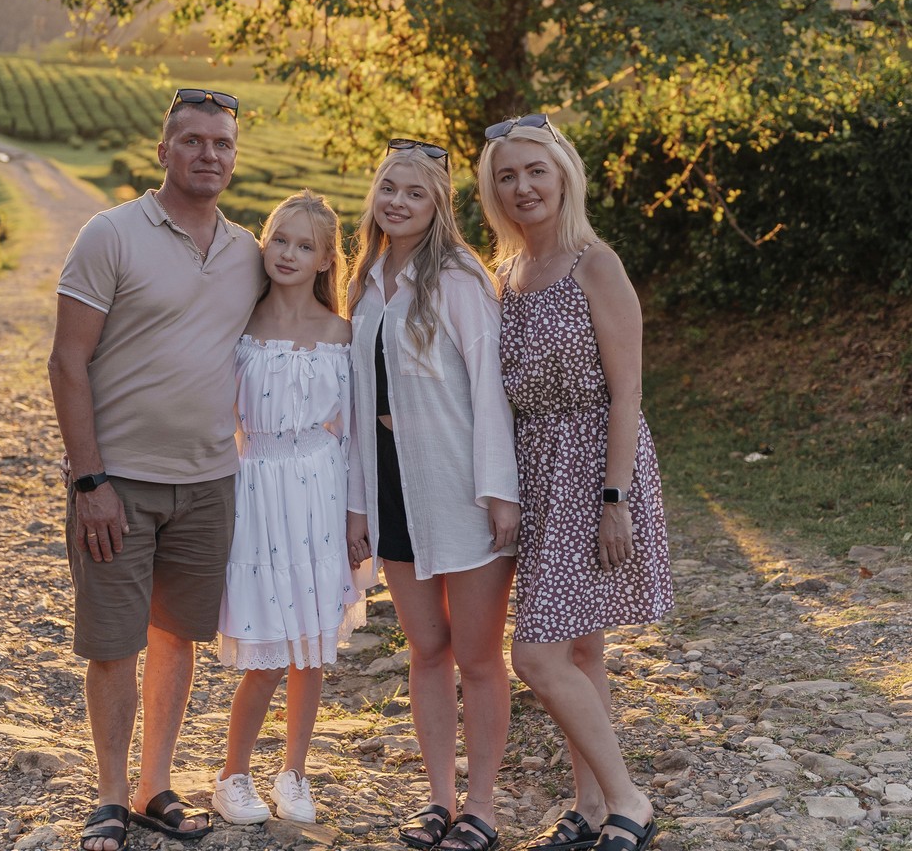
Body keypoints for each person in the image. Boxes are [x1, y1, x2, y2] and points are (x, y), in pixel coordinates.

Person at [48, 88, 265, 851]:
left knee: (177, 637)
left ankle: (153, 786)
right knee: (114, 643)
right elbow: (67, 362)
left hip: (209, 482)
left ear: (235, 158)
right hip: (118, 483)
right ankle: (109, 795)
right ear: (163, 150)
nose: (209, 154)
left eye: (222, 144)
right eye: (194, 140)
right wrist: (90, 482)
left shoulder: (248, 253)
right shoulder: (110, 234)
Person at [476, 115, 674, 851]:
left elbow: (627, 392)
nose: (522, 186)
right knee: (581, 650)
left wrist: (614, 499)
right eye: (507, 176)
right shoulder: (503, 276)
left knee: (536, 656)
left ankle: (629, 800)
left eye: (536, 170)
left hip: (593, 465)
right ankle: (590, 807)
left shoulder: (596, 263)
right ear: (493, 192)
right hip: (534, 467)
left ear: (563, 176)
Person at [346, 139, 520, 851]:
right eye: (389, 187)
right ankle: (438, 798)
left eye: (415, 193)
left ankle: (481, 806)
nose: (398, 202)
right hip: (392, 487)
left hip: (460, 486)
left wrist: (500, 490)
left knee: (476, 655)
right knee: (426, 650)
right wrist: (358, 504)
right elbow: (355, 405)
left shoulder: (459, 279)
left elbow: (491, 389)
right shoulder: (364, 283)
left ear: (439, 204)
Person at [211, 190, 366, 826]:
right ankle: (233, 775)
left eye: (305, 246)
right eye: (279, 239)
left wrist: (357, 517)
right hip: (257, 487)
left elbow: (355, 437)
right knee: (269, 647)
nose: (289, 254)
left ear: (327, 259)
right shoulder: (240, 326)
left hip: (320, 490)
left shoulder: (341, 334)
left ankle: (294, 772)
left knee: (311, 647)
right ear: (264, 241)